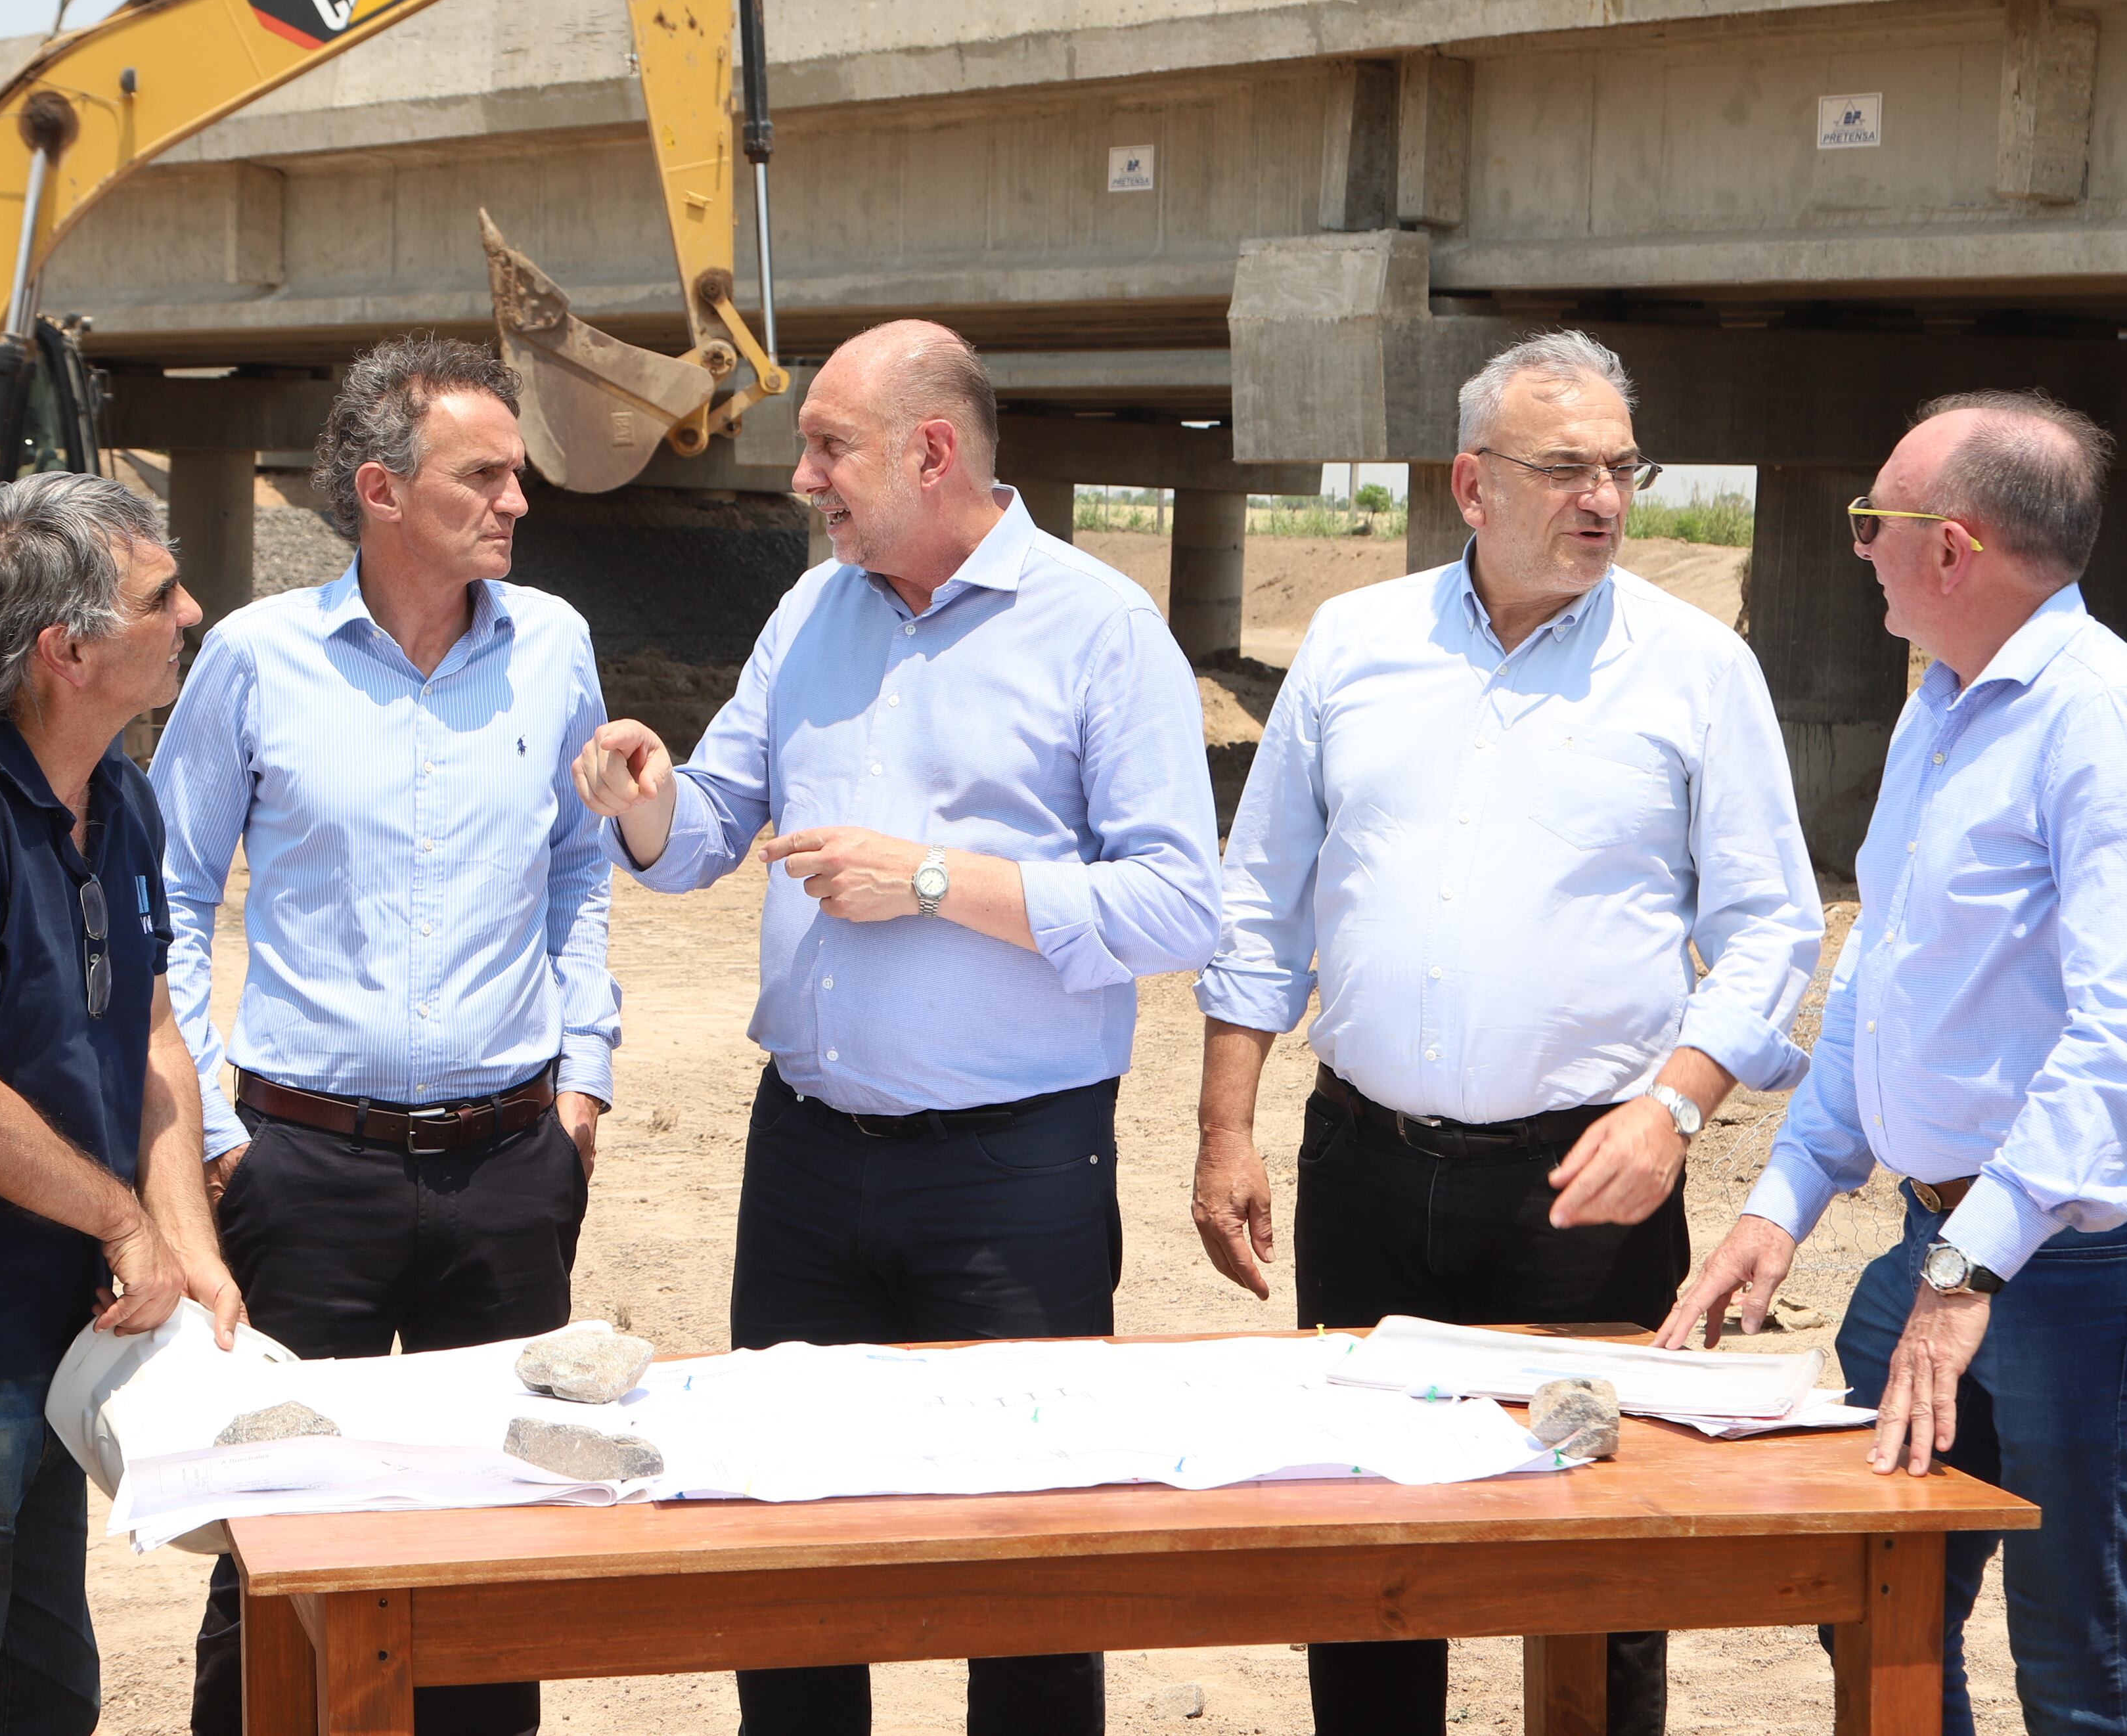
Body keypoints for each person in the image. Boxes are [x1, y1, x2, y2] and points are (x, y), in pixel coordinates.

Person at [575, 319, 1220, 1736]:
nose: (801, 476)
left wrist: (929, 880)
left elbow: (1181, 907)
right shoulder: (811, 613)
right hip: (805, 1164)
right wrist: (644, 794)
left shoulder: (1100, 630)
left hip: (1015, 1182)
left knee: (1027, 1568)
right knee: (786, 1549)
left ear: (929, 452)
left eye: (826, 447)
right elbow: (706, 833)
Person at [1191, 328, 1822, 1736]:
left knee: (1598, 1562)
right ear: (1471, 484)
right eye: (1563, 468)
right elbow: (1260, 897)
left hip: (1587, 1187)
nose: (1601, 497)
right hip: (1359, 1167)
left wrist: (1673, 1106)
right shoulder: (1354, 643)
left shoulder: (1696, 667)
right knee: (1362, 1552)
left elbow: (1776, 924)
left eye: (1620, 468)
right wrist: (1223, 1125)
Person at [1662, 391, 2127, 1736]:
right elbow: (1884, 971)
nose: (1854, 543)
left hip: (2097, 1250)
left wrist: (1966, 1270)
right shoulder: (1941, 704)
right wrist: (1786, 1192)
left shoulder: (2114, 722)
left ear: (1952, 545)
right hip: (1954, 1246)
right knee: (1871, 1599)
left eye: (1873, 518)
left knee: (2086, 1679)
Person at [154, 335, 616, 1736]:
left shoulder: (555, 650)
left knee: (499, 1535)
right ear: (378, 489)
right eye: (482, 474)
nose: (515, 501)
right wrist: (220, 1142)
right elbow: (170, 892)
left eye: (516, 474)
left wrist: (582, 1082)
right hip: (302, 1169)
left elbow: (581, 872)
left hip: (511, 1166)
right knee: (280, 1536)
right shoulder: (250, 660)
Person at [0, 473, 242, 1736]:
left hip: (73, 1337)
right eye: (159, 595)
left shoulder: (119, 795)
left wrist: (186, 1247)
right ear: (64, 649)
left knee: (44, 1690)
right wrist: (123, 1220)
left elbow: (153, 1038)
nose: (191, 611)